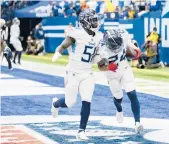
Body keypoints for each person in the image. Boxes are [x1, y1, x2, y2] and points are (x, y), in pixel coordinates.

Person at [51, 9, 102, 140]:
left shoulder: (98, 36)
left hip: (87, 73)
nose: (96, 22)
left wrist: (104, 62)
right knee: (69, 103)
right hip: (73, 72)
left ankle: (81, 131)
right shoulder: (77, 33)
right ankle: (56, 103)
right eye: (93, 20)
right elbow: (64, 45)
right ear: (85, 22)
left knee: (87, 100)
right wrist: (58, 52)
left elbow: (96, 56)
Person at [95, 29, 143, 134]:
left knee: (132, 94)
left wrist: (135, 49)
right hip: (112, 76)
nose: (117, 47)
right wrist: (107, 67)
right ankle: (119, 110)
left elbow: (128, 44)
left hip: (125, 69)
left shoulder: (123, 35)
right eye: (114, 45)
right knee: (118, 98)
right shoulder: (101, 50)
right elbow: (100, 67)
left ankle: (137, 123)